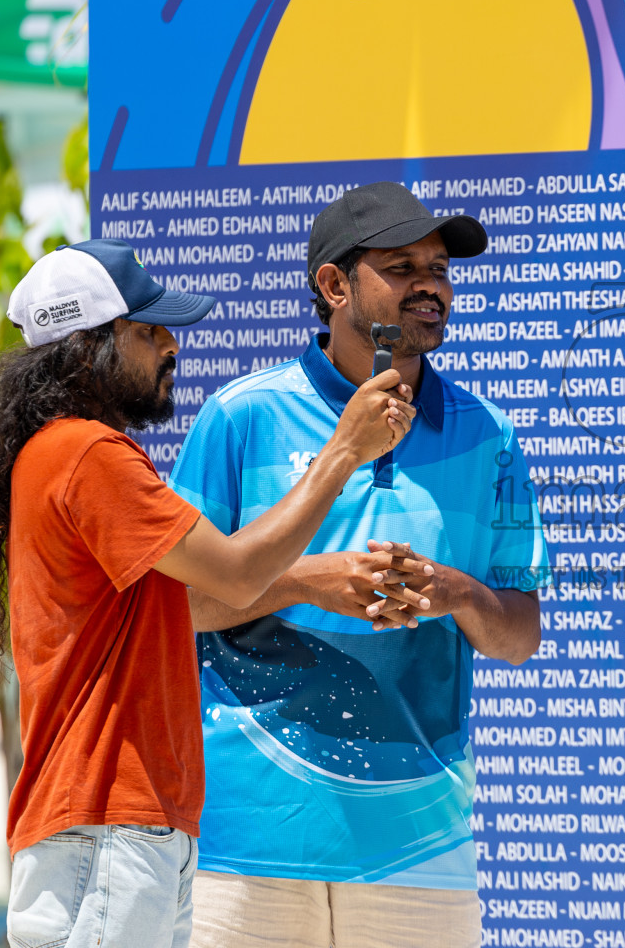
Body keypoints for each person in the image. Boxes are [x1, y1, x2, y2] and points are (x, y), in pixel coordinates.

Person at [0, 238, 416, 948]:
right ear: (90, 344)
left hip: (119, 825)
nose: (173, 345)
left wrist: (311, 581)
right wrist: (344, 451)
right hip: (107, 824)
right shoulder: (88, 455)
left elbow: (196, 601)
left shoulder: (59, 453)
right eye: (150, 331)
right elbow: (235, 573)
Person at [168, 182, 548, 948]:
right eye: (402, 267)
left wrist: (456, 592)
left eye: (439, 269)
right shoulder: (241, 417)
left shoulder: (489, 435)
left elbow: (519, 636)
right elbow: (174, 610)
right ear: (334, 286)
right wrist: (308, 583)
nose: (430, 287)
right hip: (250, 839)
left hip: (420, 844)